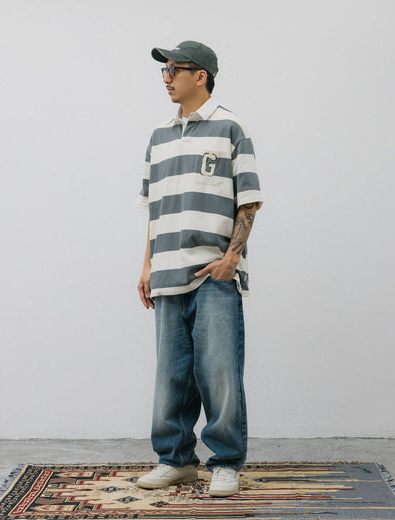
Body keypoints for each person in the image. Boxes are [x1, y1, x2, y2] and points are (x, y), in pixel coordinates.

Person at [136, 40, 263, 497]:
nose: (166, 77)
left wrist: (232, 259)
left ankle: (225, 462)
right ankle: (175, 460)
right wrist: (147, 266)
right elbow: (153, 210)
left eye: (174, 69)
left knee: (219, 372)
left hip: (214, 274)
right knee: (171, 375)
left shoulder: (230, 128)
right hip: (167, 273)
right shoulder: (158, 136)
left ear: (201, 75)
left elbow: (249, 200)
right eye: (163, 70)